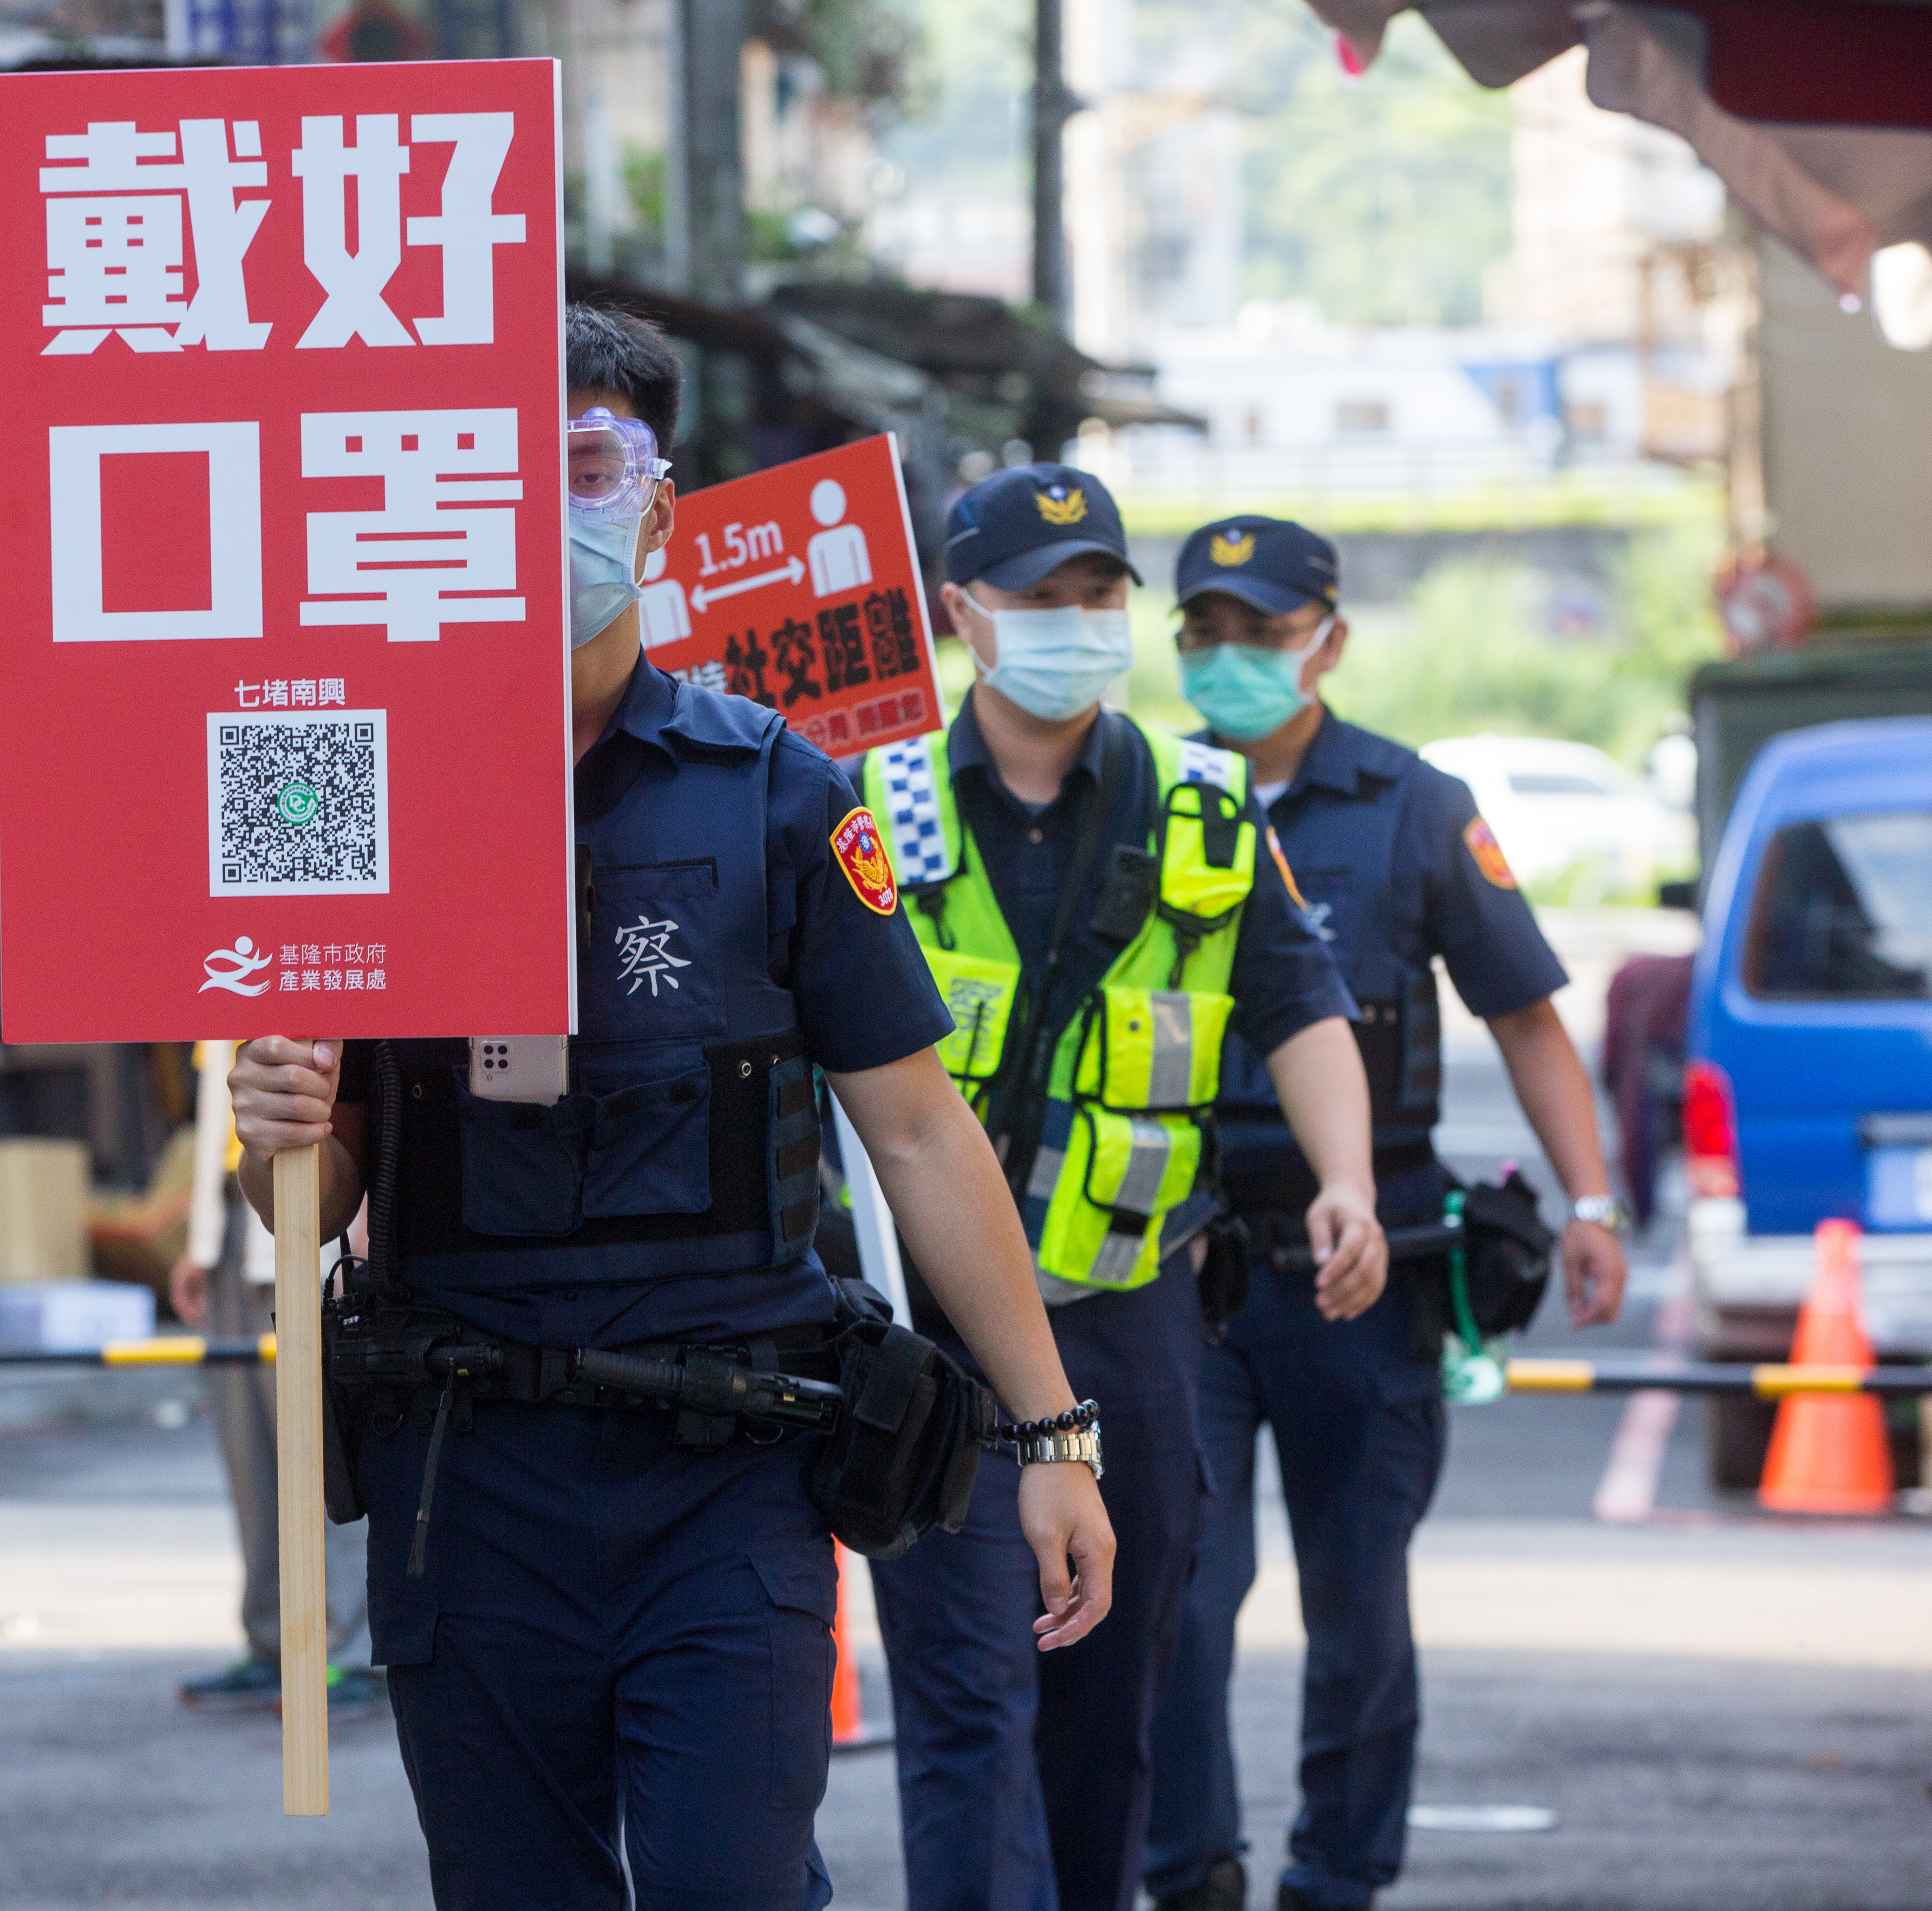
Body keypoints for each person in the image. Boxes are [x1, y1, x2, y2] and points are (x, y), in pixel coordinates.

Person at [225, 304, 1118, 1911]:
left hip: (727, 1472)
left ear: (652, 500)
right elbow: (318, 1165)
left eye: (582, 464)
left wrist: (1049, 1432)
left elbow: (913, 1129)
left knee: (730, 1885)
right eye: (496, 469)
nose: (543, 506)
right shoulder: (349, 780)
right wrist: (274, 1127)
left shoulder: (776, 793)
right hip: (462, 1475)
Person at [854, 467, 1389, 1911]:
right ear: (961, 616)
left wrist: (1344, 1176)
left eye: (1098, 595)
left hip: (1128, 1314)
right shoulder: (857, 805)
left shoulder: (1208, 809)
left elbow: (1299, 1008)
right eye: (1038, 599)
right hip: (931, 1337)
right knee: (969, 1700)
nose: (1076, 623)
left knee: (1104, 1707)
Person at [1140, 517, 1631, 1911]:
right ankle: (1187, 1872)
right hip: (1180, 1256)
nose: (1229, 657)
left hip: (1371, 1266)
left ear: (1327, 641)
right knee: (1180, 1587)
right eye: (1204, 631)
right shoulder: (1145, 794)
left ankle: (1336, 1877)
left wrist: (1588, 1199)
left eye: (1259, 629)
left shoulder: (1410, 804)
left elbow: (1525, 1016)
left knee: (1356, 1605)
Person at [168, 1040, 378, 1714]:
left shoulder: (313, 956)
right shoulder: (224, 959)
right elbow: (219, 1114)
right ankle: (271, 1643)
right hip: (237, 1232)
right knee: (251, 1457)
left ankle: (345, 1648)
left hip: (309, 1230)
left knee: (317, 1457)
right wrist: (203, 1242)